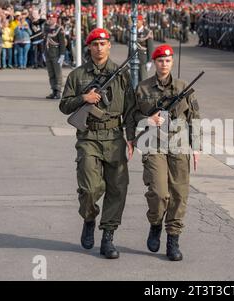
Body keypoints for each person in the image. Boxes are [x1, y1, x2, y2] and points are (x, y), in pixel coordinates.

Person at [59, 28, 136, 259]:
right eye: (95, 44)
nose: (99, 48)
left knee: (117, 188)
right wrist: (85, 98)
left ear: (109, 46)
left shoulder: (121, 74)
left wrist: (130, 137)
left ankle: (108, 237)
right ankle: (89, 218)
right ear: (89, 47)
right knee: (90, 188)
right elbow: (64, 106)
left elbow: (131, 108)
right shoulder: (77, 75)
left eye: (103, 43)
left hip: (114, 136)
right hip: (89, 137)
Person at [133, 44, 201, 261]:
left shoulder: (184, 86)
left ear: (172, 62)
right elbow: (131, 115)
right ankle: (155, 223)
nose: (164, 64)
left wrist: (196, 146)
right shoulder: (143, 88)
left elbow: (194, 117)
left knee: (180, 194)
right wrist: (147, 120)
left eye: (168, 60)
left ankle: (173, 238)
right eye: (161, 60)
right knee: (159, 192)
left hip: (179, 145)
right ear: (155, 62)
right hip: (153, 144)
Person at [44, 13, 65, 99]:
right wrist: (43, 52)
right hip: (48, 54)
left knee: (58, 74)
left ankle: (58, 91)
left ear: (56, 19)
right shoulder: (46, 29)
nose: (51, 19)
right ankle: (53, 90)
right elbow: (44, 41)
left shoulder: (59, 29)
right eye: (49, 18)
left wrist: (62, 55)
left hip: (56, 54)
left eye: (52, 18)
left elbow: (62, 43)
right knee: (51, 73)